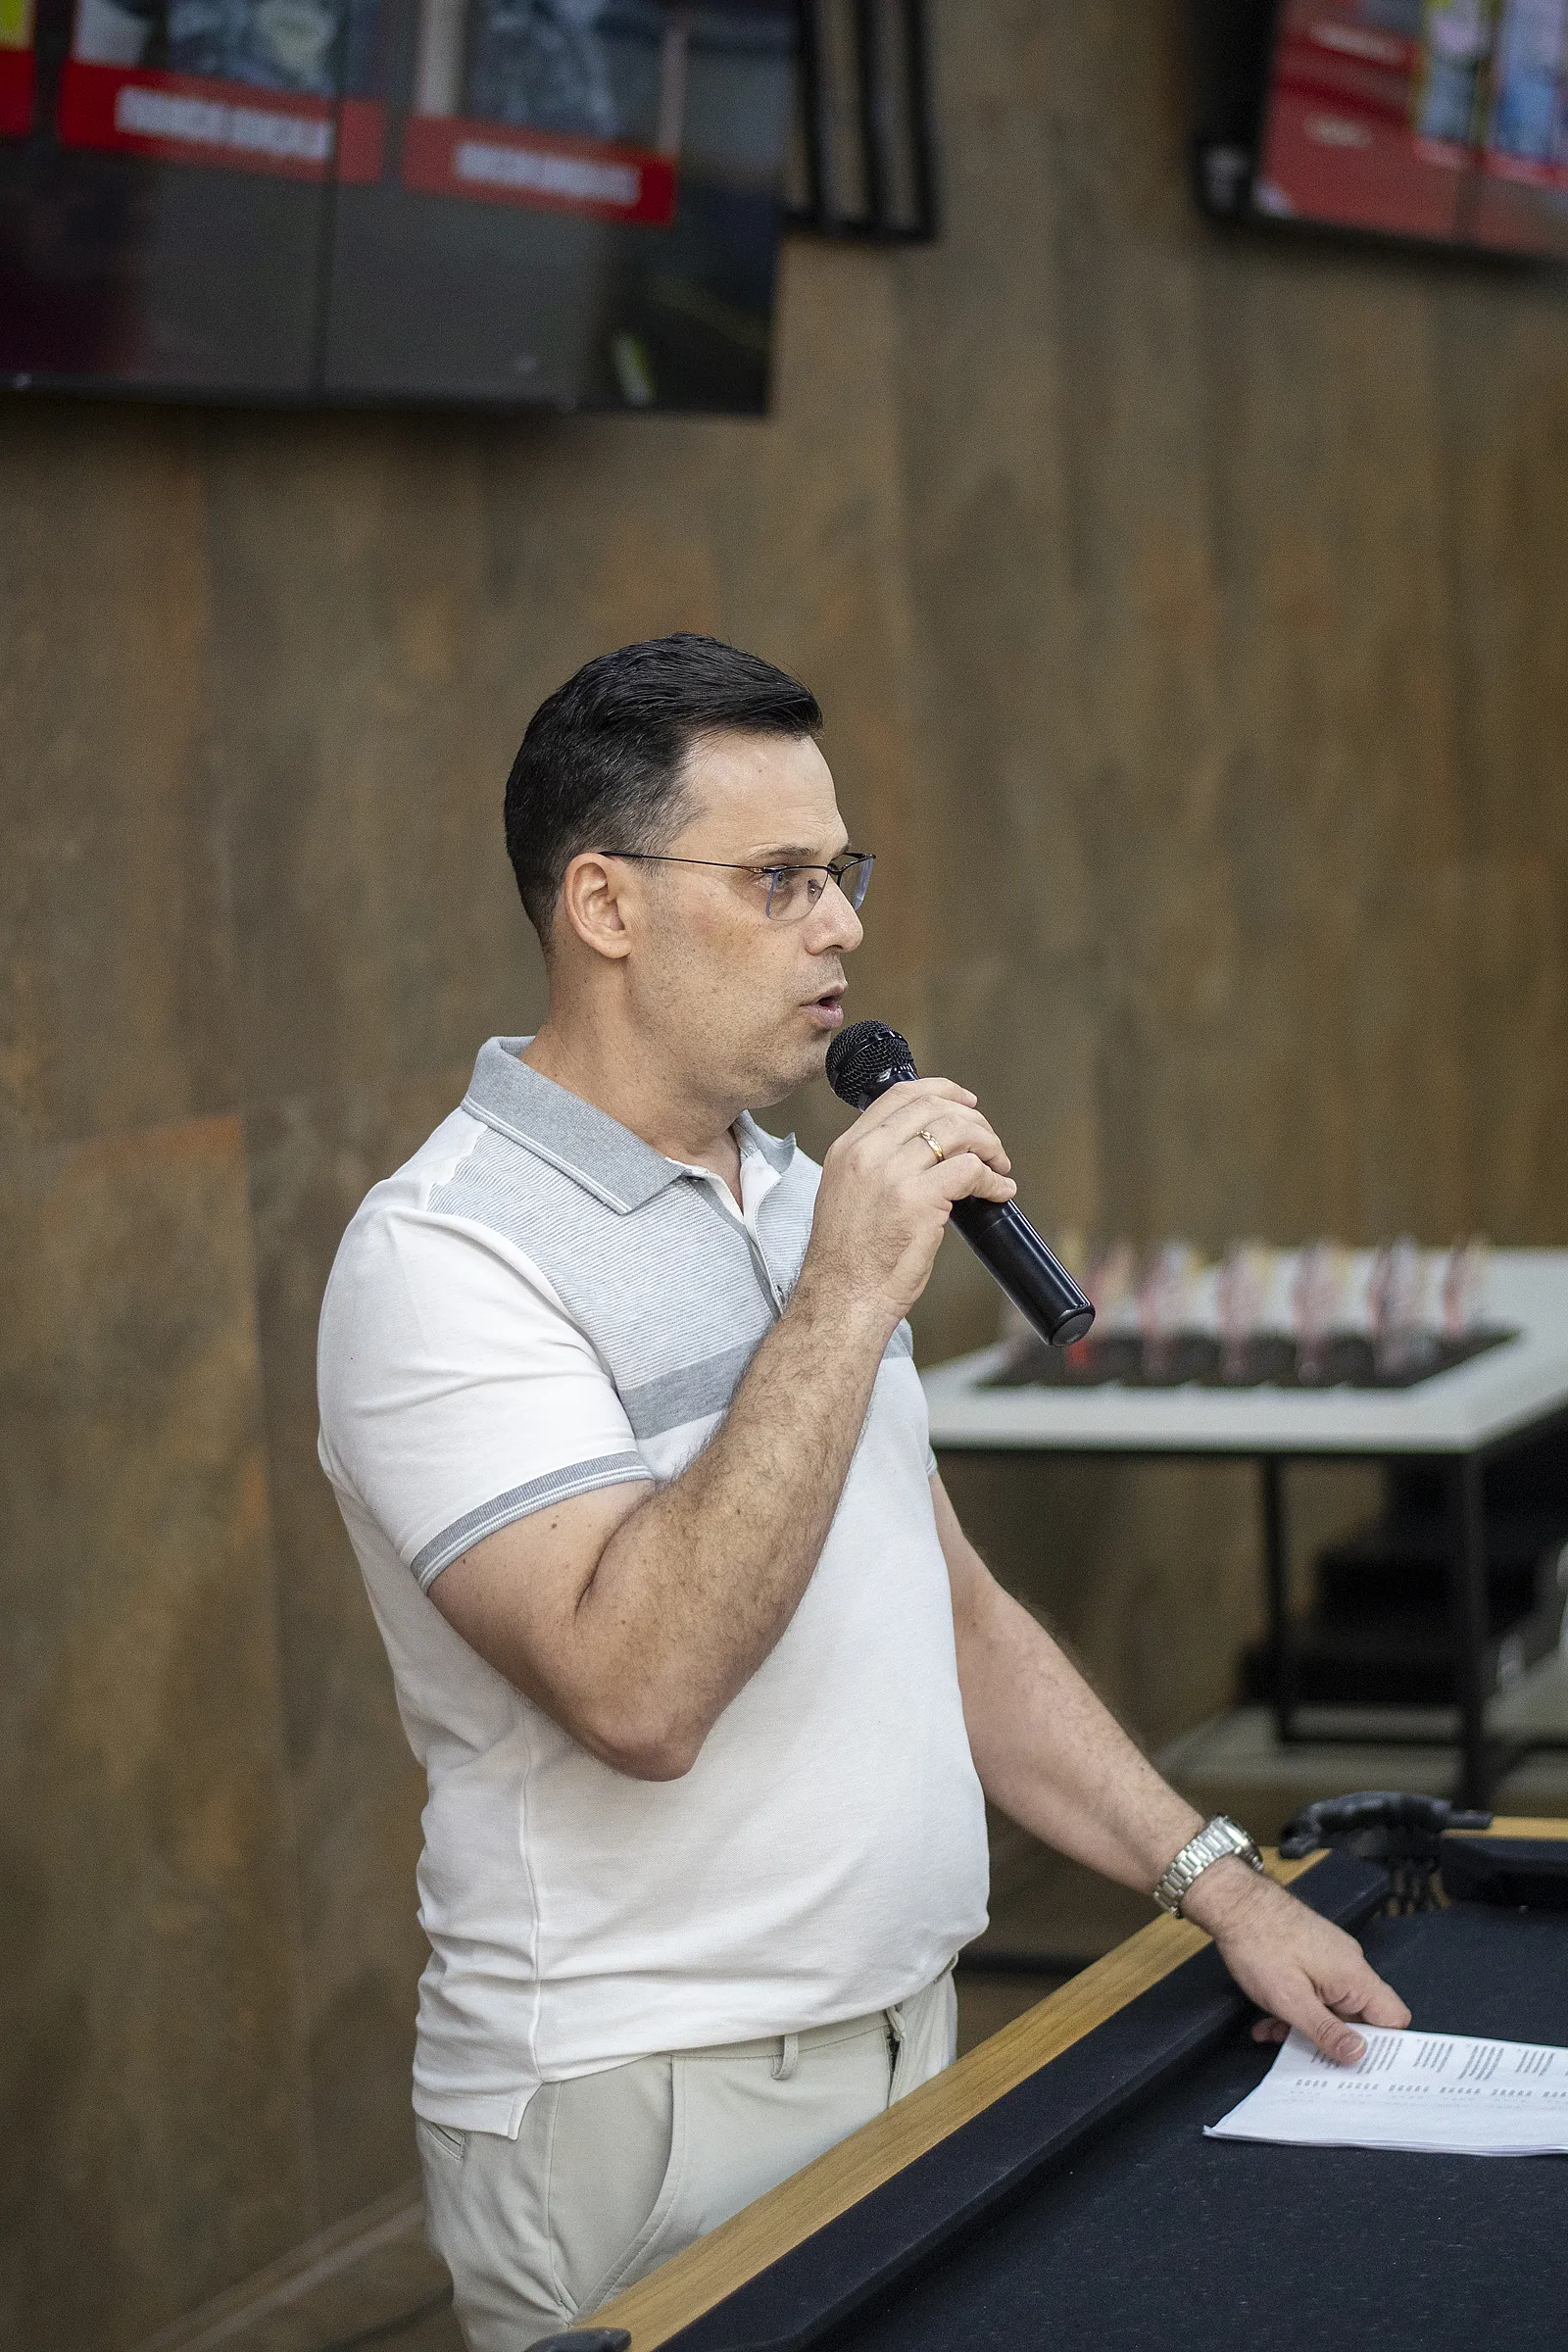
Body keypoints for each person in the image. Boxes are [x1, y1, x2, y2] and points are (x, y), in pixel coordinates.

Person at [317, 634, 1409, 2352]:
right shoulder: (441, 1258)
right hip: (644, 2111)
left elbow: (949, 1611)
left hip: (912, 2043)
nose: (838, 925)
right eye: (779, 879)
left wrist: (1224, 1882)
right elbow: (638, 1692)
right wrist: (843, 1295)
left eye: (844, 874)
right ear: (604, 904)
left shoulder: (785, 1190)